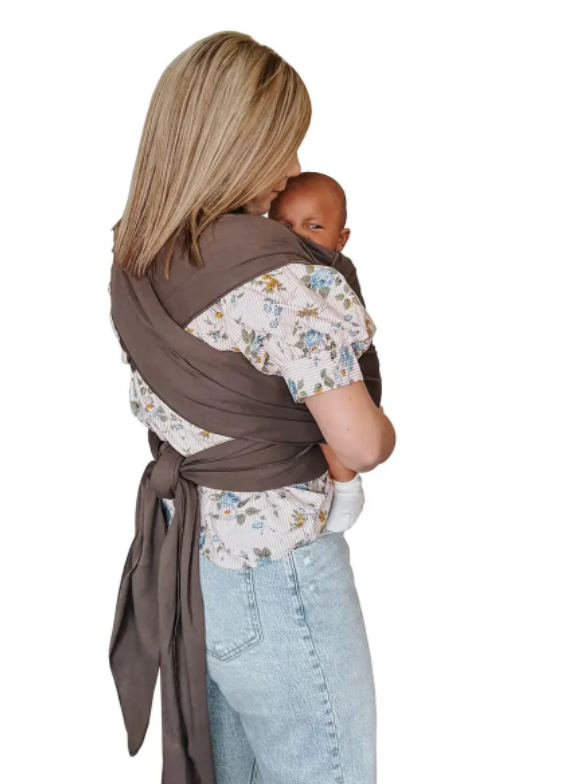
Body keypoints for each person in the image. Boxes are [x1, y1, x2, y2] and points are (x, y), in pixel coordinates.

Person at [108, 31, 396, 784]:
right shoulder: (284, 277)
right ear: (240, 144)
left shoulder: (139, 256)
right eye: (284, 142)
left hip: (191, 565)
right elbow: (361, 445)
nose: (294, 168)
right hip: (281, 572)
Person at [267, 171, 368, 532]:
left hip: (348, 368)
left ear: (341, 239)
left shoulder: (334, 269)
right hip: (308, 368)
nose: (298, 236)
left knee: (326, 425)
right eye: (285, 226)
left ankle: (347, 484)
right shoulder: (273, 265)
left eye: (314, 226)